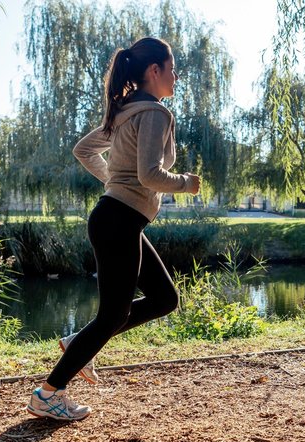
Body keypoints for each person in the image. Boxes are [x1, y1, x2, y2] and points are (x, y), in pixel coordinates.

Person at [27, 37, 200, 421]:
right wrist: (186, 182)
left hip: (119, 218)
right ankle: (48, 393)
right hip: (119, 219)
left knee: (164, 299)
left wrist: (115, 184)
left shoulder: (123, 111)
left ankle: (78, 345)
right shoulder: (154, 113)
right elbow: (150, 175)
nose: (176, 76)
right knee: (113, 313)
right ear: (154, 71)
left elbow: (84, 150)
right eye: (172, 69)